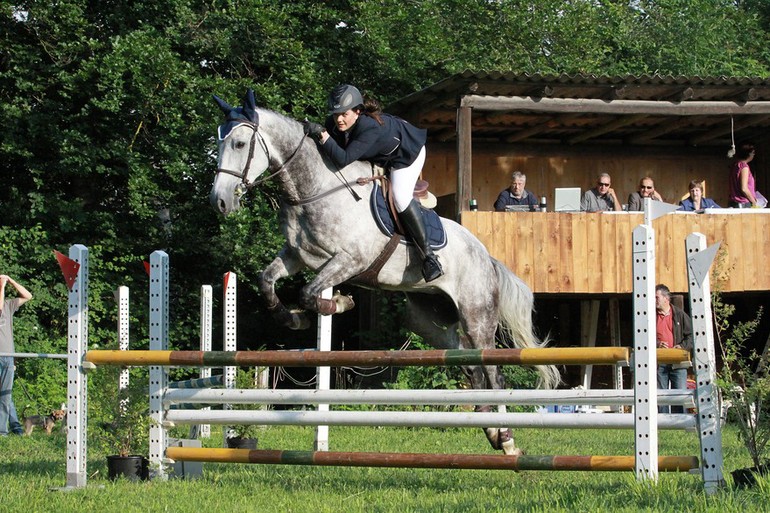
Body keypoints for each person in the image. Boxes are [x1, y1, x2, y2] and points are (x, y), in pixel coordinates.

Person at [303, 84, 442, 282]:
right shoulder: (334, 123)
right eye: (335, 115)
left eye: (344, 114)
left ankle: (429, 257)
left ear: (358, 112)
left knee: (400, 197)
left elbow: (343, 159)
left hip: (406, 153)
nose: (339, 119)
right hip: (382, 154)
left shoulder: (369, 127)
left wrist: (322, 135)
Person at [1, 274, 33, 436]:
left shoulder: (9, 304)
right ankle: (10, 429)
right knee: (4, 394)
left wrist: (11, 281)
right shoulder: (2, 305)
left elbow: (28, 296)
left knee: (5, 393)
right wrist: (2, 285)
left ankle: (10, 429)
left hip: (7, 356)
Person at [654, 284, 693, 414]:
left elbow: (692, 335)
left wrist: (681, 347)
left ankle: (679, 424)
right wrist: (657, 344)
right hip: (660, 362)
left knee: (679, 395)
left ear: (666, 298)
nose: (654, 300)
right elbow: (641, 336)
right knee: (661, 395)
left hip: (678, 361)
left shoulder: (679, 314)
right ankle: (662, 424)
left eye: (656, 297)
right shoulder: (650, 316)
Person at [728, 142, 758, 208]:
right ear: (748, 154)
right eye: (753, 153)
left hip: (734, 202)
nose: (753, 155)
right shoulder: (744, 167)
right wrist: (754, 202)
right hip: (742, 203)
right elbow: (744, 188)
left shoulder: (734, 165)